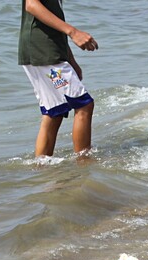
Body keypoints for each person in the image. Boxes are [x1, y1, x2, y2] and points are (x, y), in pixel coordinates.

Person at [18, 0, 98, 157]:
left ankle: (43, 170)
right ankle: (84, 167)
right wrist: (73, 32)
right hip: (43, 51)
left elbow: (52, 20)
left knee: (54, 112)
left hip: (42, 50)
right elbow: (31, 4)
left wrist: (71, 59)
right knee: (84, 105)